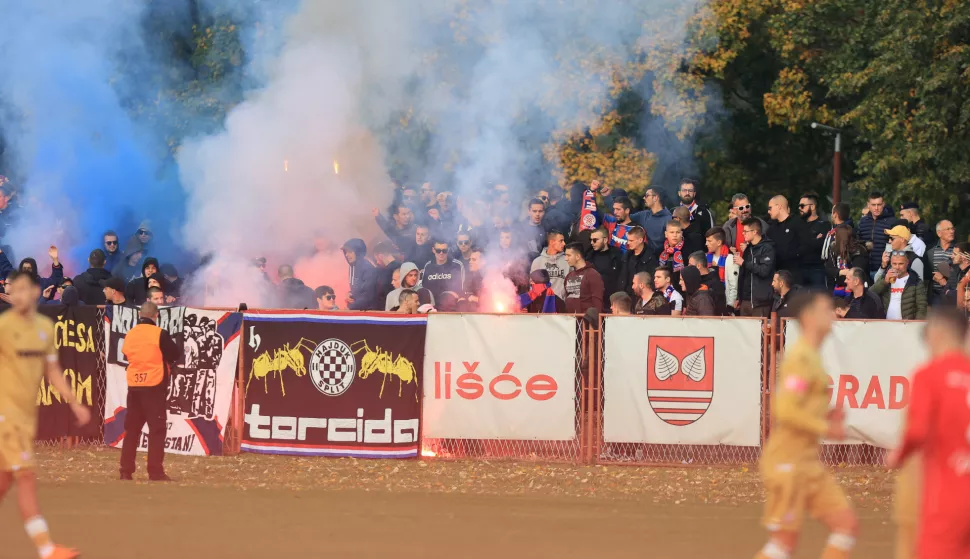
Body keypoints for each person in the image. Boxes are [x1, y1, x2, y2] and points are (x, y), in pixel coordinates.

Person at [754, 290, 857, 559]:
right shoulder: (801, 358)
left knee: (846, 525)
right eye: (825, 310)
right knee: (783, 543)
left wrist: (826, 415)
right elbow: (785, 409)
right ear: (809, 317)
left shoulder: (811, 357)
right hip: (788, 461)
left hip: (807, 463)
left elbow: (799, 406)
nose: (832, 314)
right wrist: (825, 427)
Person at [0, 271, 90, 559]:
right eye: (13, 290)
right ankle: (46, 548)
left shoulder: (44, 328)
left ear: (36, 292)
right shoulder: (4, 327)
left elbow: (53, 371)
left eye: (23, 289)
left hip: (25, 416)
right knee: (26, 476)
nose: (17, 295)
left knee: (4, 480)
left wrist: (74, 402)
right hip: (6, 416)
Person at [886, 307, 970, 559]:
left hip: (947, 495)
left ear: (937, 332)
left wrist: (898, 455)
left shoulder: (929, 375)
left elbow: (917, 431)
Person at [119, 301, 177, 482]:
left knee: (132, 430)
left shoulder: (130, 334)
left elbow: (126, 354)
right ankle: (155, 471)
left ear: (139, 315)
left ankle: (125, 471)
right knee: (157, 430)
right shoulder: (160, 334)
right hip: (154, 386)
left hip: (134, 386)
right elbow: (174, 354)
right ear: (156, 315)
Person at [736, 218, 777, 317]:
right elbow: (742, 275)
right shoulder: (748, 249)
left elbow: (764, 271)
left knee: (759, 327)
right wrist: (739, 297)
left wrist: (745, 263)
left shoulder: (767, 249)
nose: (743, 234)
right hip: (745, 300)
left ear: (754, 232)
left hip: (760, 302)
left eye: (745, 231)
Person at [872, 252, 928, 320]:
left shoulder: (915, 281)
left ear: (907, 263)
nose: (897, 267)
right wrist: (885, 282)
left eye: (901, 264)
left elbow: (922, 307)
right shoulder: (885, 278)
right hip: (886, 323)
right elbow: (870, 295)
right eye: (894, 264)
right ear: (891, 263)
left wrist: (916, 324)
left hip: (906, 324)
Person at [766, 195, 808, 281]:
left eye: (770, 208)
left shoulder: (797, 223)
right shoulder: (771, 228)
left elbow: (806, 245)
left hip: (795, 274)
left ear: (779, 206)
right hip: (777, 275)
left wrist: (792, 255)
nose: (768, 211)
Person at [857, 191, 896, 279]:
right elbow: (858, 242)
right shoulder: (863, 222)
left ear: (883, 204)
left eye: (879, 204)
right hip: (865, 269)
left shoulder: (891, 222)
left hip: (885, 269)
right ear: (868, 205)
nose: (876, 208)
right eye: (873, 205)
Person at [824, 224, 869, 298]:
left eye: (836, 235)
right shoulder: (834, 249)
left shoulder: (859, 252)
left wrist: (842, 274)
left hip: (855, 292)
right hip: (838, 290)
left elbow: (857, 273)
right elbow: (828, 269)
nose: (834, 237)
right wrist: (840, 272)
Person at [798, 193, 831, 288]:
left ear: (812, 207)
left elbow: (821, 244)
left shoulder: (824, 225)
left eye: (802, 206)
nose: (800, 208)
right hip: (800, 268)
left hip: (817, 268)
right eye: (799, 206)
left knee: (818, 295)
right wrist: (814, 239)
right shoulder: (798, 225)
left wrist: (806, 241)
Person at [586, 227, 622, 311]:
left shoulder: (617, 254)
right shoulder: (589, 256)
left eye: (595, 240)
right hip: (594, 300)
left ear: (605, 240)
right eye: (590, 240)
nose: (592, 243)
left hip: (613, 300)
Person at [617, 227, 659, 298]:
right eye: (628, 240)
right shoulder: (627, 256)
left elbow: (652, 280)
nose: (628, 243)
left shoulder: (651, 257)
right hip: (625, 296)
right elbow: (622, 277)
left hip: (641, 297)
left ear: (640, 240)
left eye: (631, 240)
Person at [563, 243, 604, 315]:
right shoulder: (568, 276)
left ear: (578, 256)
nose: (566, 259)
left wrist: (593, 320)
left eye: (568, 255)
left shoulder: (593, 274)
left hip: (587, 319)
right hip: (570, 319)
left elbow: (597, 302)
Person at [675, 178, 716, 244]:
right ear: (679, 193)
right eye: (684, 190)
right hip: (677, 250)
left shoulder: (704, 212)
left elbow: (712, 237)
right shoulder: (673, 212)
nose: (687, 193)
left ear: (694, 193)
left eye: (690, 191)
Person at [342, 238, 379, 311]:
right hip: (357, 309)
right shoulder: (353, 266)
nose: (346, 255)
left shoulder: (368, 268)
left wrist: (350, 308)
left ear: (358, 252)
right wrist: (350, 294)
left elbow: (368, 295)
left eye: (350, 252)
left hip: (367, 311)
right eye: (345, 252)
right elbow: (359, 289)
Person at [530, 231, 569, 299]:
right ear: (551, 242)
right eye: (561, 241)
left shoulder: (567, 261)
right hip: (542, 302)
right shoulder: (537, 262)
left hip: (561, 303)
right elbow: (532, 285)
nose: (564, 243)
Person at [927, 220, 956, 303]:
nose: (952, 231)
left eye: (952, 229)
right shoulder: (930, 251)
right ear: (939, 233)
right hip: (935, 296)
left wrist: (943, 280)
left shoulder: (958, 251)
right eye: (948, 229)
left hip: (953, 295)